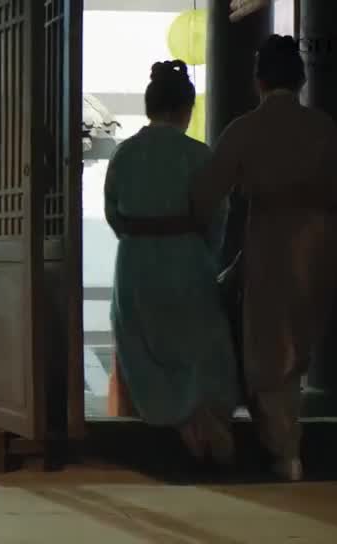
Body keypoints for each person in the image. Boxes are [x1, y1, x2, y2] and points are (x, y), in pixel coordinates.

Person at [191, 35, 337, 481]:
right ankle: (284, 442)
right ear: (300, 80)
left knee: (269, 346)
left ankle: (285, 449)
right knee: (298, 344)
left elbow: (207, 194)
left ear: (258, 80)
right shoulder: (324, 127)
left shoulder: (246, 129)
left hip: (273, 240)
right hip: (322, 241)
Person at [105, 60, 240, 467]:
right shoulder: (199, 155)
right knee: (200, 346)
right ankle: (202, 422)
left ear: (150, 107)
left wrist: (139, 240)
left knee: (140, 346)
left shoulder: (124, 154)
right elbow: (218, 216)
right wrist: (204, 254)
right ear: (186, 110)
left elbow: (114, 215)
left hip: (135, 263)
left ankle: (159, 422)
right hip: (187, 260)